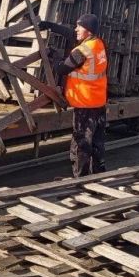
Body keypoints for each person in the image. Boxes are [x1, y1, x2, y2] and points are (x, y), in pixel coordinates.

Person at [40, 13, 108, 178]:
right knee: (97, 141)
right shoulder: (97, 44)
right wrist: (50, 25)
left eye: (80, 26)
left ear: (89, 31)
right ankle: (97, 175)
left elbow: (62, 69)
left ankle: (80, 179)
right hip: (98, 102)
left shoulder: (82, 51)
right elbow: (71, 34)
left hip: (84, 104)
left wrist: (53, 57)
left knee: (81, 142)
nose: (76, 29)